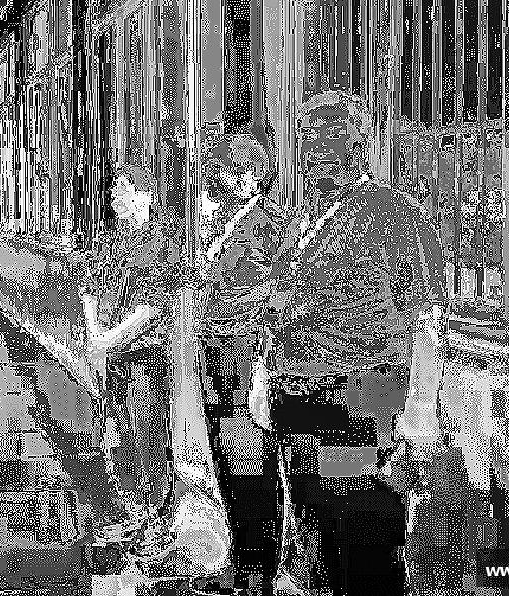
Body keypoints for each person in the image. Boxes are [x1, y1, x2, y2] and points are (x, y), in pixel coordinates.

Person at [250, 90, 448, 596]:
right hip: (299, 408)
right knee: (316, 541)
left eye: (331, 139)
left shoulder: (392, 214)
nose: (319, 153)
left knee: (360, 542)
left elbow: (427, 317)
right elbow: (280, 307)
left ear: (358, 146)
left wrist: (421, 410)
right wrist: (263, 377)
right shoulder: (307, 223)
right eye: (310, 141)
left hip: (357, 403)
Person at [80, 163, 231, 582]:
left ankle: (155, 527)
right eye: (113, 192)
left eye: (123, 190)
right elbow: (91, 289)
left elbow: (150, 308)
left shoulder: (160, 244)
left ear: (145, 195)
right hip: (114, 358)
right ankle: (136, 519)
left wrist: (105, 339)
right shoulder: (112, 243)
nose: (115, 199)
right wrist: (95, 333)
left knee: (148, 440)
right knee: (120, 437)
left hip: (144, 356)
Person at [195, 135, 290, 593]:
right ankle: (243, 559)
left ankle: (257, 570)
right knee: (227, 462)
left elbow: (271, 298)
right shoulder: (226, 225)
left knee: (248, 463)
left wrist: (259, 365)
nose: (217, 182)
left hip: (242, 355)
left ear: (250, 175)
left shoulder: (269, 227)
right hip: (217, 356)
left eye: (225, 172)